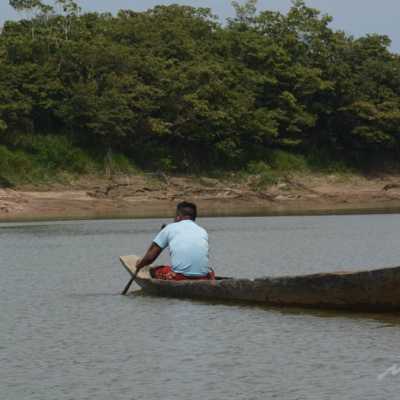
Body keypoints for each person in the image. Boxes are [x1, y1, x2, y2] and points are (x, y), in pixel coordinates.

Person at [135, 201, 215, 280]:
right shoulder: (203, 231)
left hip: (179, 277)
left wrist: (140, 264)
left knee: (153, 270)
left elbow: (150, 257)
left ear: (179, 216)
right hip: (205, 277)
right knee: (210, 270)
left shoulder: (169, 228)